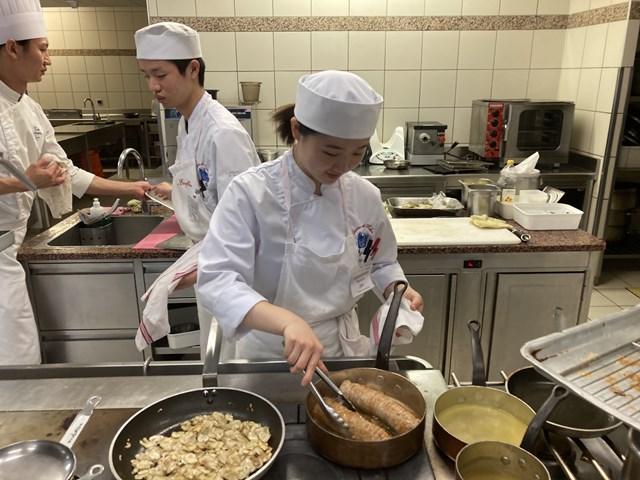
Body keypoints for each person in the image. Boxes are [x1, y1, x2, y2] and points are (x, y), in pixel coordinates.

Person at [197, 70, 424, 386]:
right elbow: (217, 280)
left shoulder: (364, 196)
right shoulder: (251, 193)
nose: (343, 166)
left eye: (358, 152)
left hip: (340, 353)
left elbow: (381, 261)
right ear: (296, 131)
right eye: (330, 152)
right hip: (269, 354)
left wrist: (397, 289)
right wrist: (287, 322)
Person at [0, 0, 152, 365]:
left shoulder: (30, 109)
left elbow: (67, 172)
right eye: (43, 49)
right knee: (16, 362)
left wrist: (131, 188)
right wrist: (25, 182)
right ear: (13, 47)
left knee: (19, 359)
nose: (48, 60)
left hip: (9, 250)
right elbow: (28, 180)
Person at [134, 22, 260, 353]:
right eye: (147, 75)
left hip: (231, 269)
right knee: (214, 354)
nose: (153, 86)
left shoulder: (223, 132)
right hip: (209, 259)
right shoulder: (187, 121)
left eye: (160, 75)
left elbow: (245, 220)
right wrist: (176, 189)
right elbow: (206, 187)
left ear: (192, 69)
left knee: (232, 359)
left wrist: (208, 265)